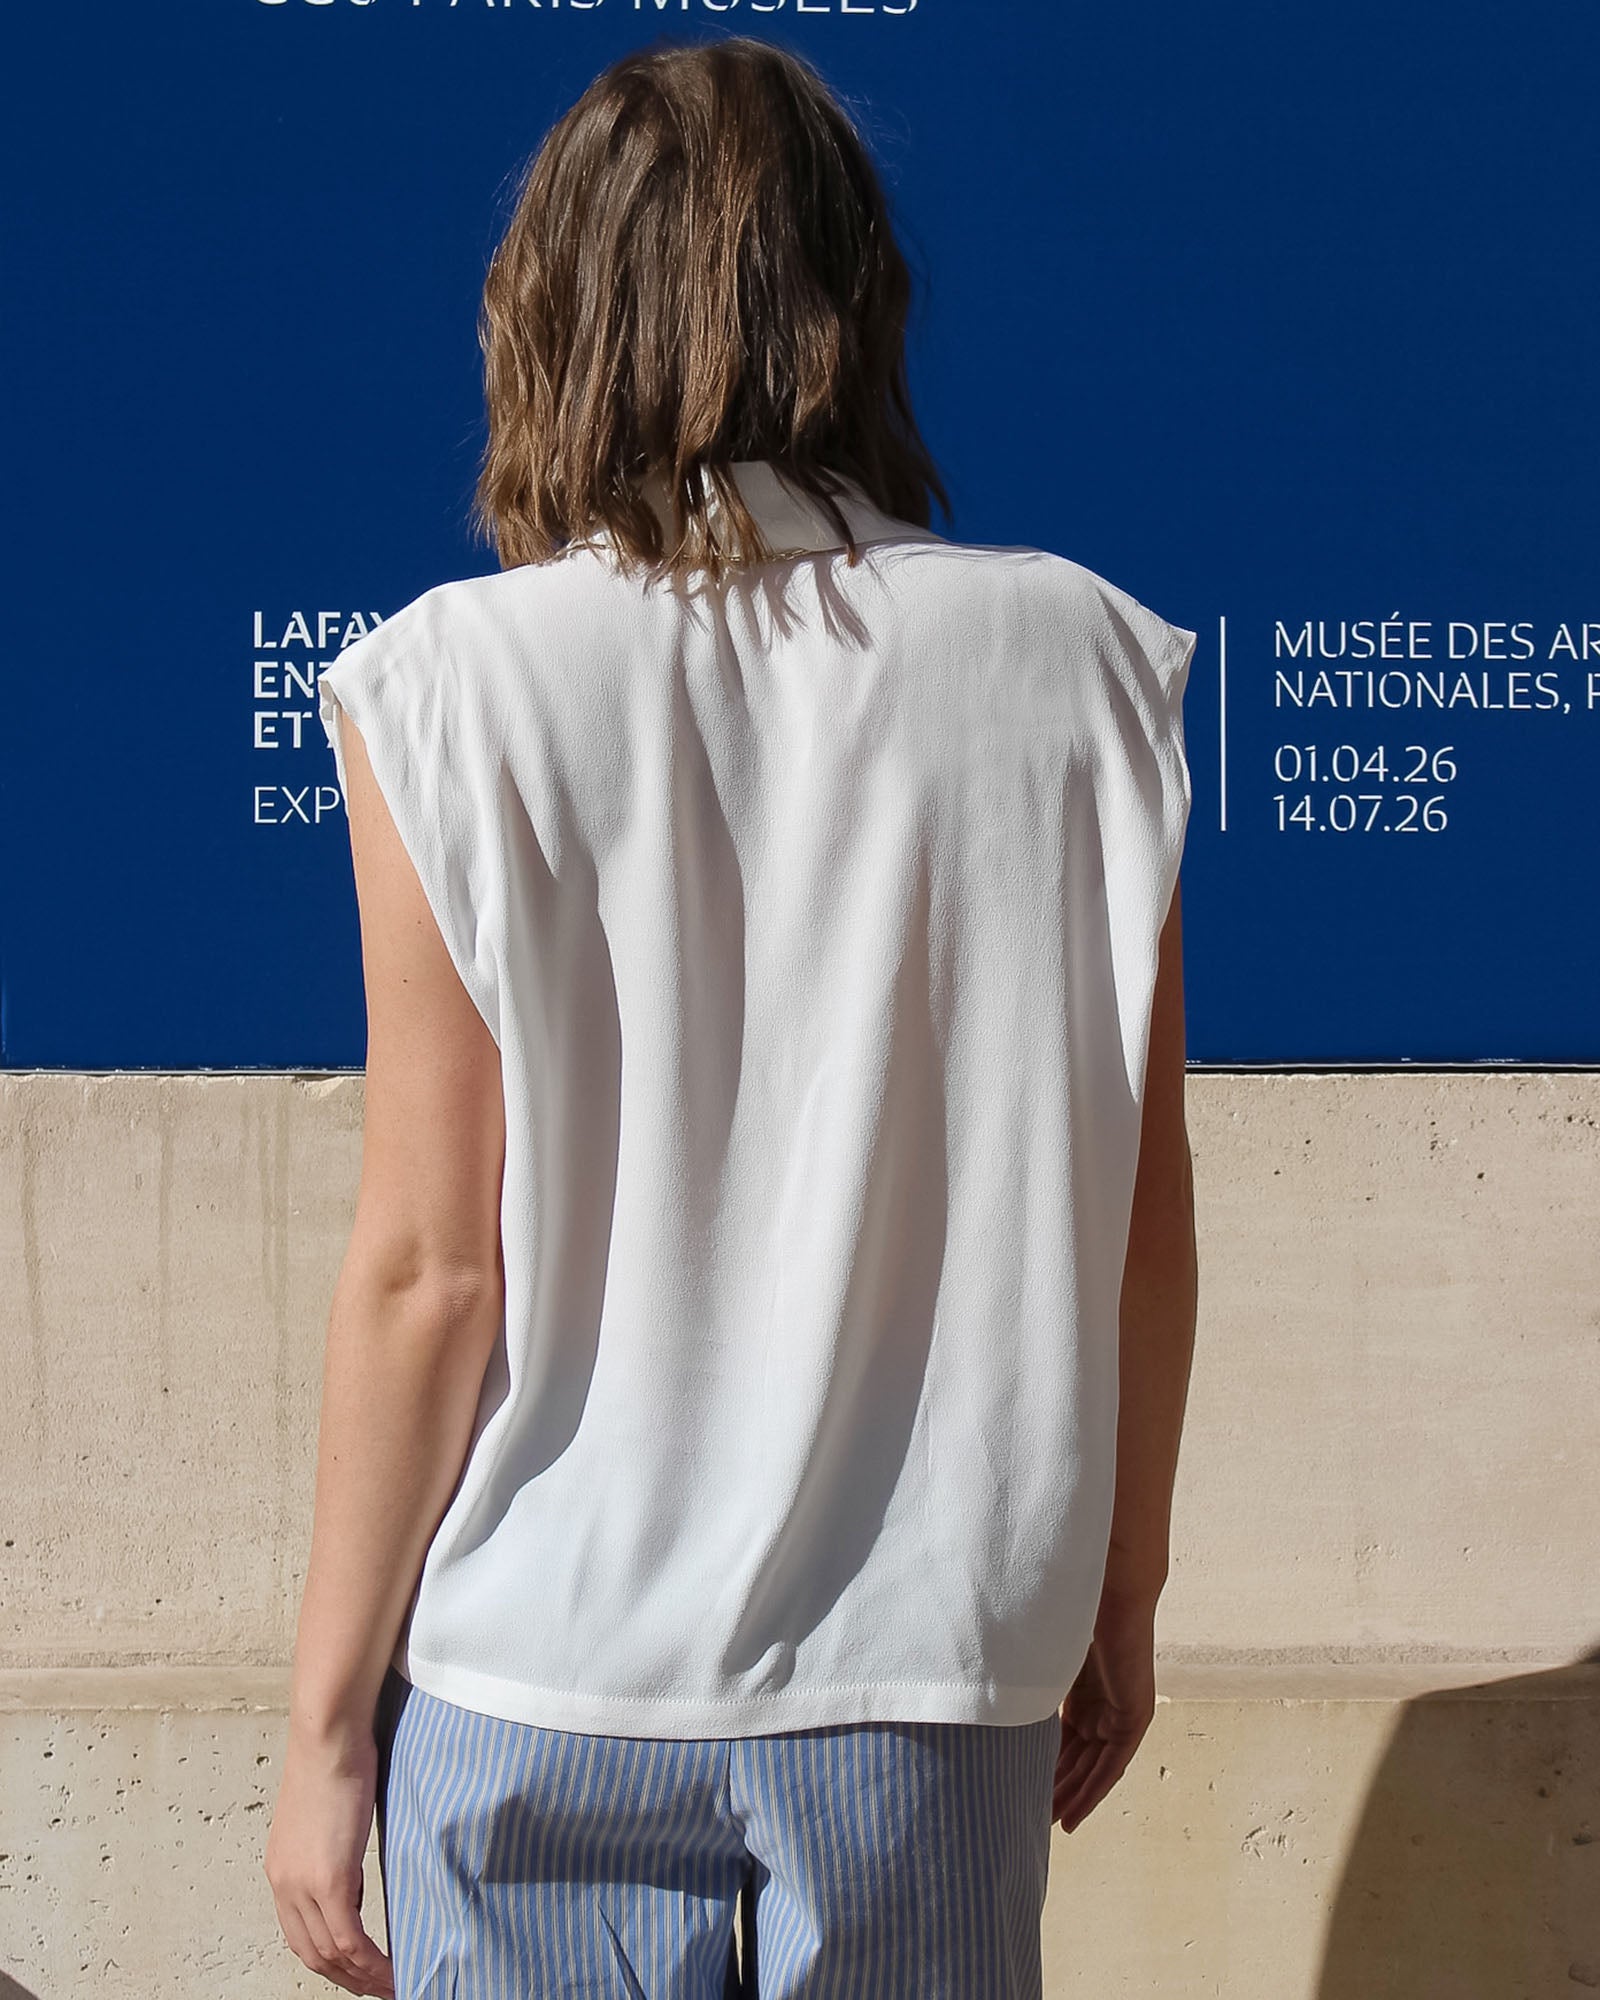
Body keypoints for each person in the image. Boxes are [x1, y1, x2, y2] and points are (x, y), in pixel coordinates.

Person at [264, 32, 1198, 2000]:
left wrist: (327, 1722)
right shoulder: (1079, 663)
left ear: (555, 308)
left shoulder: (450, 687)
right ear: (858, 303)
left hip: (539, 1669)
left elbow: (430, 1267)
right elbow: (1138, 1220)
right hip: (924, 1671)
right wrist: (1122, 1591)